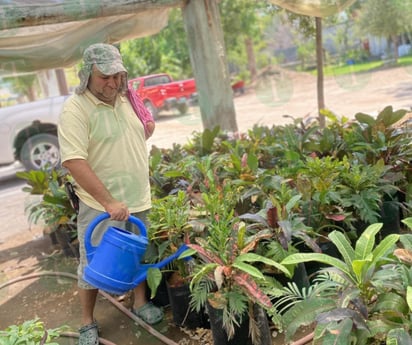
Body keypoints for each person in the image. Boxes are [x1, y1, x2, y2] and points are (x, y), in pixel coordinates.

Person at [58, 43, 161, 345]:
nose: (113, 83)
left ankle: (139, 303)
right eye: (105, 77)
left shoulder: (128, 98)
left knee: (136, 253)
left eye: (118, 75)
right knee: (91, 263)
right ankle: (87, 321)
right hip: (100, 205)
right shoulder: (76, 109)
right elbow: (74, 160)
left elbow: (140, 133)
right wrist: (108, 201)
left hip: (137, 197)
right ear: (87, 74)